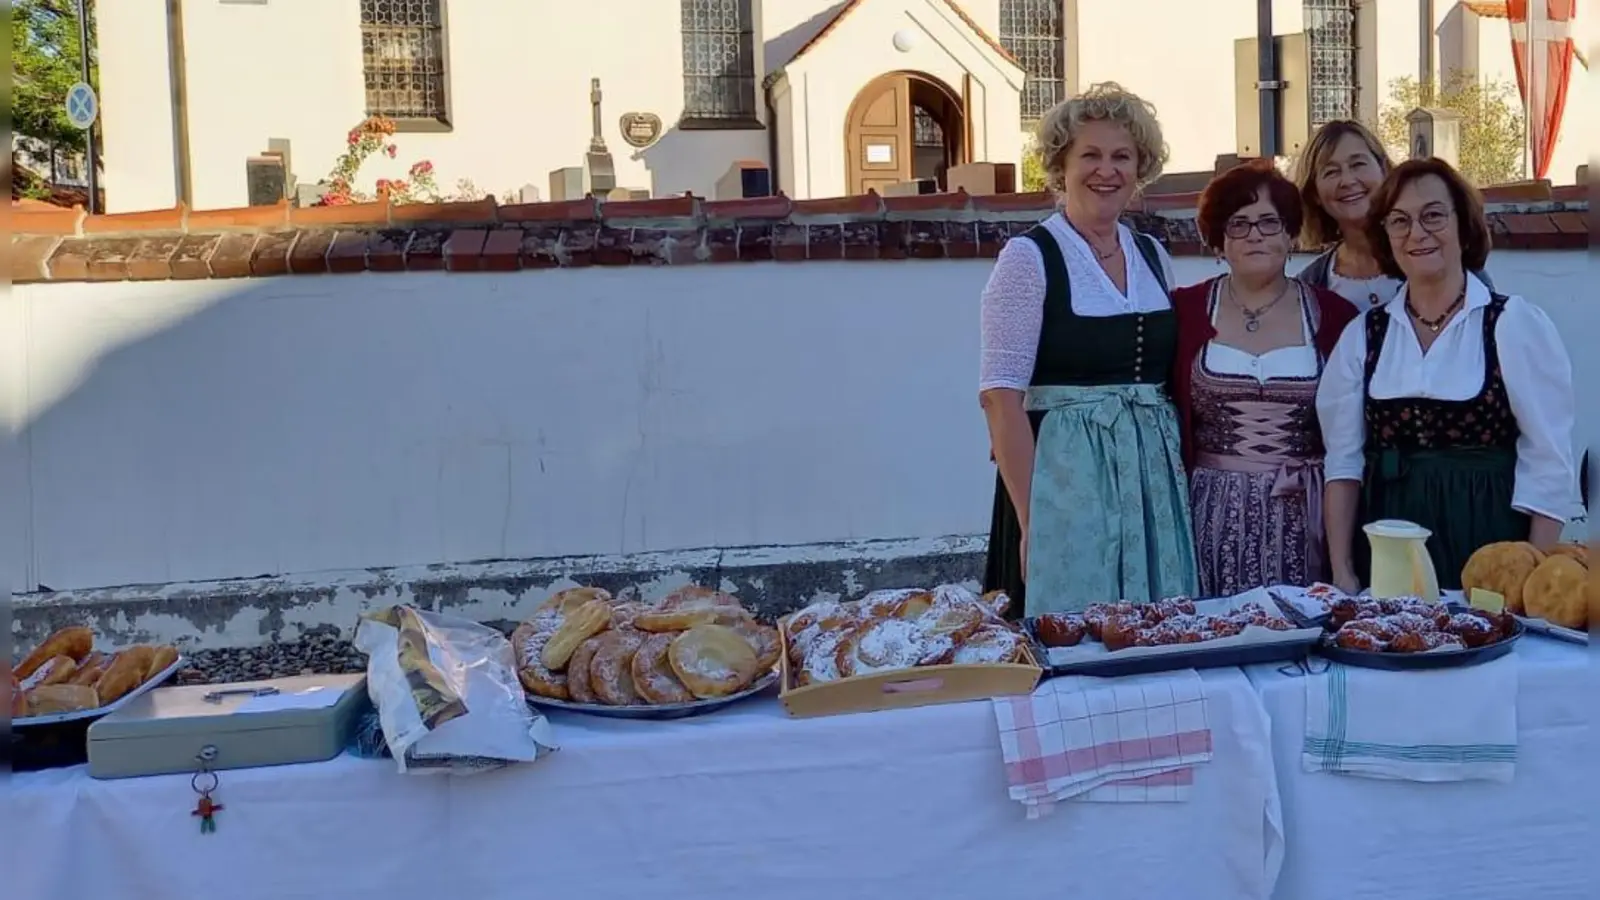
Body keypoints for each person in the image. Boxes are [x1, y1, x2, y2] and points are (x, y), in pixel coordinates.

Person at [979, 83, 1198, 615]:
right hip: (1063, 483)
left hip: (1149, 483)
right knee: (1068, 636)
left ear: (1140, 167)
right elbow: (1000, 398)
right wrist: (1035, 521)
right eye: (1091, 155)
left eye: (1122, 156)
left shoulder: (1152, 255)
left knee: (1152, 629)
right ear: (1061, 165)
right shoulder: (1028, 259)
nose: (1108, 170)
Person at [1316, 158, 1581, 593]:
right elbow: (1343, 464)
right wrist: (1343, 570)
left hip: (1490, 545)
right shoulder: (1365, 334)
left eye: (1433, 215)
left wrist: (1535, 574)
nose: (1417, 233)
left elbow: (1548, 459)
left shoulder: (1511, 323)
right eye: (1399, 220)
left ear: (1464, 224)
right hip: (1389, 550)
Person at [1169, 160, 1357, 597]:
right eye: (1239, 224)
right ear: (1219, 241)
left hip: (1305, 515)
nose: (1255, 234)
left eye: (1269, 223)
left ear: (1291, 235)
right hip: (1207, 515)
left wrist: (1344, 561)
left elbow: (1350, 439)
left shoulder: (1335, 317)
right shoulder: (1183, 312)